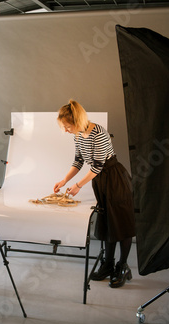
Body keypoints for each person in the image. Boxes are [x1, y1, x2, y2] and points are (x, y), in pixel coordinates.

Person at [53, 99, 136, 289]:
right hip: (100, 181)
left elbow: (98, 166)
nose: (66, 130)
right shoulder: (78, 135)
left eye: (67, 126)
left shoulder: (98, 133)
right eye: (64, 127)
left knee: (121, 223)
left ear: (77, 120)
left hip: (115, 178)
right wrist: (64, 180)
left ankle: (122, 266)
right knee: (108, 222)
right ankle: (108, 264)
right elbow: (79, 161)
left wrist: (78, 185)